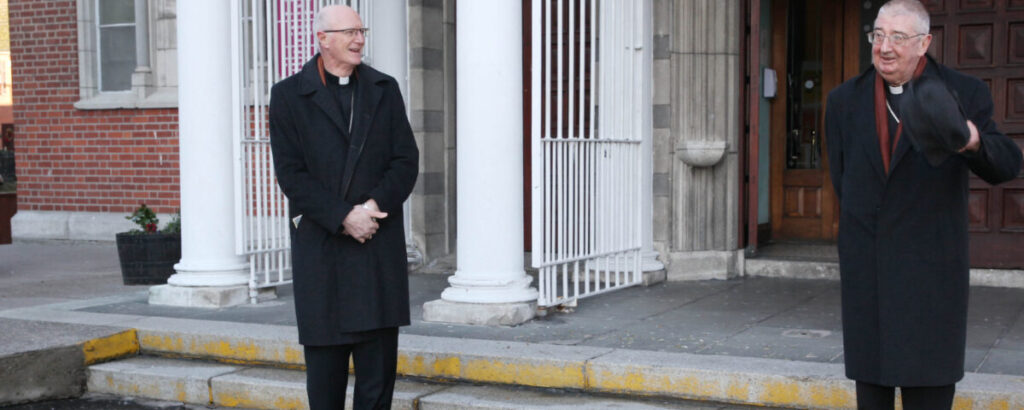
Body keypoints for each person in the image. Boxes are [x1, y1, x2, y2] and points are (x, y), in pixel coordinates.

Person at [825, 1, 1022, 408]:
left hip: (931, 285)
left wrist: (971, 140)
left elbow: (1007, 164)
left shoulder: (964, 93)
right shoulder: (843, 101)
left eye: (898, 37)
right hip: (870, 282)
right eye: (878, 35)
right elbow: (844, 183)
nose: (885, 47)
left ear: (925, 42)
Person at [269, 5, 419, 409]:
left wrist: (371, 206)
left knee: (376, 384)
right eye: (350, 32)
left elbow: (405, 160)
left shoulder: (383, 89)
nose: (359, 39)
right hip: (324, 254)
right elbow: (291, 175)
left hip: (377, 250)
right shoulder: (288, 95)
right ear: (323, 39)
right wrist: (343, 216)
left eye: (362, 30)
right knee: (325, 387)